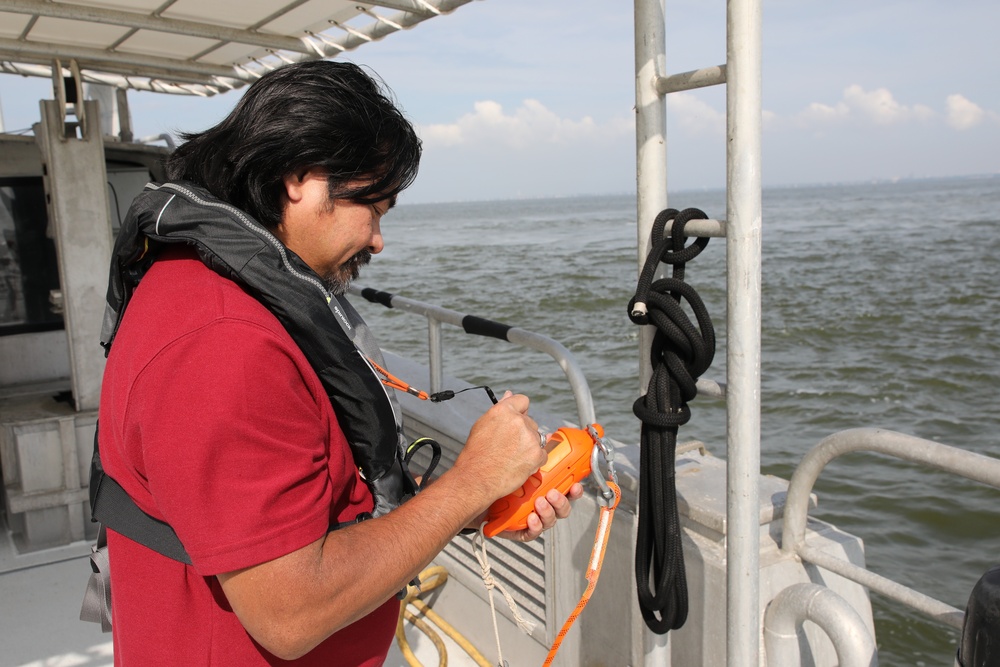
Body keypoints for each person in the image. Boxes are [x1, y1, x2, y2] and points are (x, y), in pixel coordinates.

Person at [97, 60, 582, 666]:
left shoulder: (205, 290)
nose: (379, 238)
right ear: (302, 177)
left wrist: (466, 506)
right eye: (373, 207)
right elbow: (291, 611)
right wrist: (470, 483)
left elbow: (299, 500)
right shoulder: (224, 343)